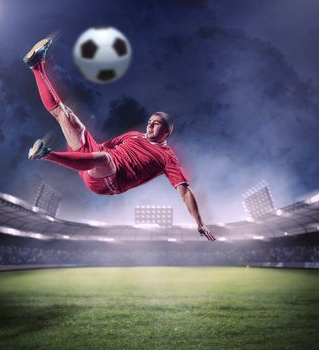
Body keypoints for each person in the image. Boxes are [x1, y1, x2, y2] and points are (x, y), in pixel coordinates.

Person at [24, 38, 216, 241]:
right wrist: (82, 150)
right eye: (150, 121)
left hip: (109, 181)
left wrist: (199, 223)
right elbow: (106, 147)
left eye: (156, 123)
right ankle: (36, 66)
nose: (149, 124)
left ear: (167, 132)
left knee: (105, 159)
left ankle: (46, 154)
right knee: (65, 114)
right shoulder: (133, 135)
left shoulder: (168, 157)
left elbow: (185, 193)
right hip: (94, 161)